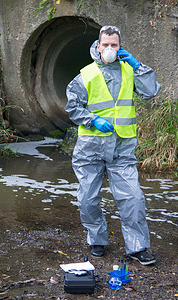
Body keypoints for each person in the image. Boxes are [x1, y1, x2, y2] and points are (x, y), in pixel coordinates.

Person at [65, 25, 161, 265]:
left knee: (133, 197)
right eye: (105, 44)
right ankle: (97, 239)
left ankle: (138, 247)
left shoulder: (130, 70)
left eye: (114, 45)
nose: (109, 49)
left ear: (120, 47)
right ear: (98, 46)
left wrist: (138, 66)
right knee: (88, 198)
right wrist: (93, 120)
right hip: (90, 148)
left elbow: (150, 93)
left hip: (121, 149)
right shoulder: (85, 74)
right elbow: (73, 107)